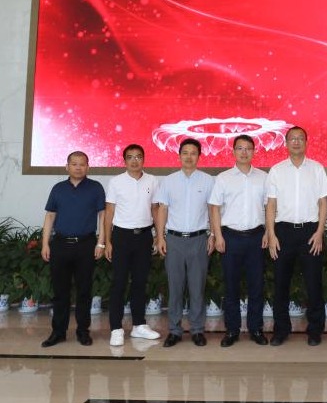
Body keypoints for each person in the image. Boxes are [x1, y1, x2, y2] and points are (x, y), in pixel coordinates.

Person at [265, 126, 327, 347]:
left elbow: (323, 203)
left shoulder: (317, 169)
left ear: (306, 142)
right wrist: (271, 234)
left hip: (310, 232)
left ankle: (315, 330)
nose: (296, 142)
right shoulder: (276, 170)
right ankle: (281, 330)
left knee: (314, 284)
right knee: (280, 285)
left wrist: (320, 232)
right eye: (292, 139)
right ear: (286, 143)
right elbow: (271, 204)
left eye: (300, 138)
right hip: (283, 232)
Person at [209, 134, 269, 347]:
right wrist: (217, 235)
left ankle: (256, 329)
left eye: (248, 148)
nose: (244, 152)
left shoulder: (264, 177)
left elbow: (270, 207)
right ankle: (232, 330)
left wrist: (268, 233)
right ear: (233, 151)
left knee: (256, 286)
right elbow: (214, 208)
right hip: (230, 237)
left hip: (256, 237)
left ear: (254, 151)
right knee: (231, 286)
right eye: (240, 148)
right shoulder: (223, 178)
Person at [40, 151, 105, 347]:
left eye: (82, 164)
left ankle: (83, 331)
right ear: (67, 166)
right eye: (74, 164)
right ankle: (58, 332)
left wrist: (101, 243)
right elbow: (50, 216)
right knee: (60, 291)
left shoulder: (96, 188)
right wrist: (45, 243)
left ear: (88, 167)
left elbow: (102, 216)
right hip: (60, 244)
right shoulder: (58, 188)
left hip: (86, 245)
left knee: (84, 290)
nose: (78, 167)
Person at [154, 138, 215, 348]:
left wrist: (213, 235)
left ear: (199, 156)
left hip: (199, 239)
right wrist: (160, 237)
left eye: (193, 153)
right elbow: (162, 209)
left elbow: (213, 210)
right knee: (175, 288)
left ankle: (197, 330)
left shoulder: (208, 181)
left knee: (197, 288)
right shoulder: (168, 181)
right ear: (179, 155)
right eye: (185, 153)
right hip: (174, 240)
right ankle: (174, 331)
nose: (189, 157)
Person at [103, 144, 161, 347]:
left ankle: (139, 325)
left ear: (144, 159)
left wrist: (158, 236)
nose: (134, 161)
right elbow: (109, 212)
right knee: (119, 283)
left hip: (144, 237)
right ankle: (116, 328)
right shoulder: (116, 182)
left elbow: (155, 209)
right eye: (130, 157)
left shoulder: (152, 180)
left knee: (140, 282)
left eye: (138, 157)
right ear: (124, 160)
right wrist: (107, 241)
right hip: (121, 236)